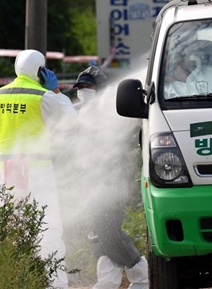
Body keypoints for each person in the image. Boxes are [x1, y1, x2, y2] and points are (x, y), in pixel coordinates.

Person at [0, 49, 77, 289]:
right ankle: (55, 285)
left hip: (8, 174)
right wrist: (56, 90)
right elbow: (72, 121)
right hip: (38, 171)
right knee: (49, 228)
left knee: (14, 228)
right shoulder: (43, 96)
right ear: (40, 71)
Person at [72, 65, 149, 289]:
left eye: (88, 86)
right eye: (80, 87)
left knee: (107, 231)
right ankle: (108, 279)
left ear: (100, 88)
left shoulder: (112, 112)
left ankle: (140, 273)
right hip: (91, 183)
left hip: (113, 182)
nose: (83, 91)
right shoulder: (80, 113)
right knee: (98, 232)